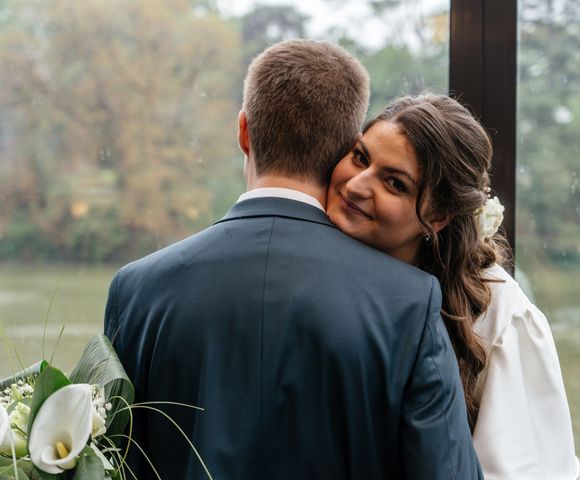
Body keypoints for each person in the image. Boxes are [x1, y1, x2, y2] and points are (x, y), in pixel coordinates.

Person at [104, 41, 483, 479]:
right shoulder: (408, 302)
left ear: (244, 131)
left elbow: (110, 464)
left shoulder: (135, 289)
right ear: (343, 146)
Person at [326, 93, 580, 479]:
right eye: (360, 157)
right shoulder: (315, 270)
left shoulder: (499, 316)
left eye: (394, 183)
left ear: (439, 215)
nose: (357, 185)